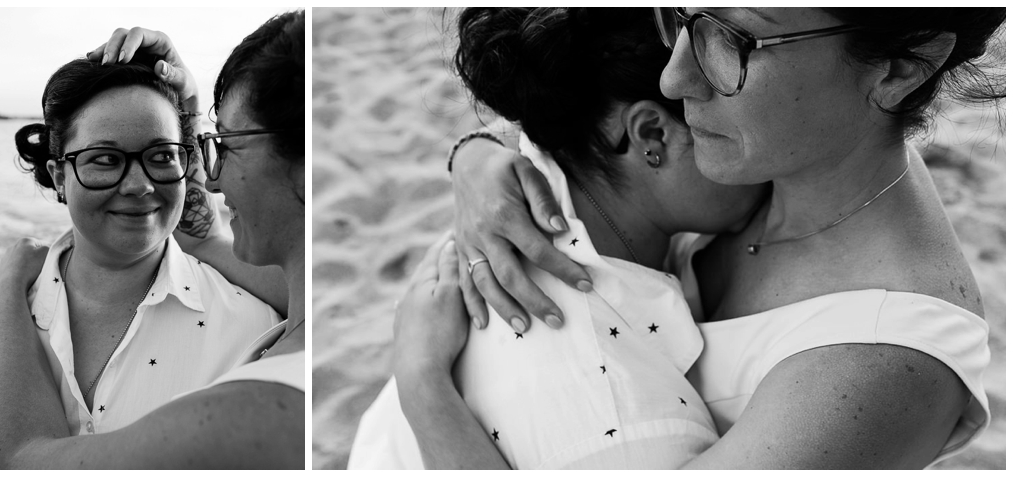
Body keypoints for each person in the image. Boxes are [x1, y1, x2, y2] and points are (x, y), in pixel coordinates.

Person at [400, 7, 1003, 469]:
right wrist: (477, 160)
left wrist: (424, 389)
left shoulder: (882, 367)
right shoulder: (780, 154)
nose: (674, 74)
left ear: (902, 68)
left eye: (734, 39)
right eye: (682, 14)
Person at [351, 8, 766, 470]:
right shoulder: (626, 426)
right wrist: (421, 384)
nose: (765, 161)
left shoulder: (525, 184)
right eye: (719, 132)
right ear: (652, 135)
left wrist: (470, 150)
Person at [0, 10, 305, 469]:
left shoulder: (256, 327)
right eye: (105, 159)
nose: (139, 184)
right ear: (60, 174)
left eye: (162, 155)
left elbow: (21, 458)